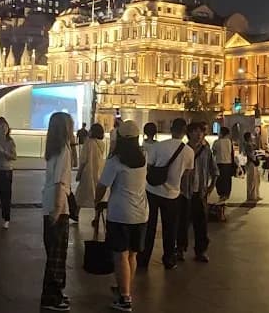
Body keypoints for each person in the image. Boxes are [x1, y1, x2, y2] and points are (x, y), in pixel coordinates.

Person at [94, 120, 147, 312]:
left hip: (120, 214)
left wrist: (96, 201)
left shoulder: (115, 161)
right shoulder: (144, 157)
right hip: (141, 214)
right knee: (132, 254)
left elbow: (102, 185)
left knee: (120, 255)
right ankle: (125, 289)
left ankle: (125, 298)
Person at [138, 118, 194, 270]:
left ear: (171, 129)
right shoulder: (189, 151)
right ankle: (169, 259)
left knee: (149, 226)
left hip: (152, 191)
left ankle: (143, 259)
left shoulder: (159, 146)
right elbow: (187, 174)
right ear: (185, 131)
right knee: (170, 228)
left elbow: (149, 166)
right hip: (172, 194)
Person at [40, 112, 74, 311]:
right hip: (57, 205)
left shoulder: (53, 149)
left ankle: (54, 293)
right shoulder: (64, 149)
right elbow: (61, 182)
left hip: (49, 202)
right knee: (57, 253)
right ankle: (52, 296)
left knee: (52, 250)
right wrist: (58, 209)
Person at [177, 122, 218, 263]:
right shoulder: (182, 149)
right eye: (195, 131)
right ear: (189, 133)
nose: (199, 134)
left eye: (201, 131)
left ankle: (201, 251)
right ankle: (180, 249)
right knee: (182, 222)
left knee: (201, 224)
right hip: (184, 192)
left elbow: (214, 169)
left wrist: (211, 186)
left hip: (200, 192)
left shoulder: (206, 151)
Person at [75, 123, 107, 226]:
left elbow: (83, 160)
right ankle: (96, 217)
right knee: (98, 195)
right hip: (99, 170)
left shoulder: (88, 142)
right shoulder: (102, 143)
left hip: (88, 171)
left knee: (81, 194)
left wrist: (79, 173)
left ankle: (76, 214)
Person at [213, 127, 234, 201]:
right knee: (227, 179)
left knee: (219, 179)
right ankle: (226, 194)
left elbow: (214, 152)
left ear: (221, 133)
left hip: (219, 163)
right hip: (228, 163)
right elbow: (232, 153)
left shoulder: (216, 142)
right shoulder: (229, 141)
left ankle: (221, 194)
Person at [243, 132, 261, 202]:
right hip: (251, 163)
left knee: (256, 179)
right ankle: (251, 196)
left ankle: (255, 195)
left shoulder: (250, 144)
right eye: (251, 136)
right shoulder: (248, 145)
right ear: (248, 137)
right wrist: (255, 160)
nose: (252, 137)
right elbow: (250, 155)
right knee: (252, 180)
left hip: (252, 163)